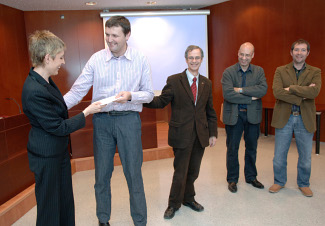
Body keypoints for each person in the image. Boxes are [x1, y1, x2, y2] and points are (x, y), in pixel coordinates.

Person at [63, 16, 154, 226]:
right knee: (102, 176)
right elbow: (77, 91)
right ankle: (103, 220)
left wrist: (131, 95)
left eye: (115, 35)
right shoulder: (96, 59)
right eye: (107, 34)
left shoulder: (140, 59)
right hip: (102, 123)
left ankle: (140, 222)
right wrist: (54, 108)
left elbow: (149, 94)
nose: (110, 40)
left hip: (129, 121)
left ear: (127, 35)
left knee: (134, 175)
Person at [21, 30, 103, 226]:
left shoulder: (45, 81)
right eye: (60, 57)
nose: (63, 62)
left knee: (65, 202)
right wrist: (86, 112)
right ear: (47, 58)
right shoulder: (34, 90)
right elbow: (57, 126)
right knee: (50, 208)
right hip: (46, 156)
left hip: (58, 153)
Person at [144, 45, 218, 219]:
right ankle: (173, 204)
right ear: (186, 59)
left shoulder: (206, 83)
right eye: (191, 58)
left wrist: (213, 133)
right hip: (181, 134)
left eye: (197, 58)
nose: (194, 61)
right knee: (180, 172)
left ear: (201, 59)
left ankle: (188, 198)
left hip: (200, 135)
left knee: (193, 171)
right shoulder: (174, 80)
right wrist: (140, 98)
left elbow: (210, 111)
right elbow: (161, 101)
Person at [269, 39, 321, 197]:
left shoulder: (315, 71)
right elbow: (277, 92)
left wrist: (291, 88)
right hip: (285, 117)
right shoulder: (280, 70)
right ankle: (279, 181)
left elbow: (314, 93)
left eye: (303, 50)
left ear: (308, 53)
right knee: (279, 155)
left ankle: (304, 183)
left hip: (305, 118)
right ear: (291, 52)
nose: (299, 53)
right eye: (296, 50)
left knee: (305, 156)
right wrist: (301, 95)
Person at [221, 42, 268, 193]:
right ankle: (232, 179)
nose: (244, 58)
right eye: (242, 54)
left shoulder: (259, 71)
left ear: (252, 55)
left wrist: (240, 90)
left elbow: (262, 90)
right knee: (232, 149)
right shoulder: (228, 72)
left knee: (252, 148)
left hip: (252, 116)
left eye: (247, 55)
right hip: (234, 116)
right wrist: (249, 97)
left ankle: (251, 177)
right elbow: (228, 94)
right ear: (238, 53)